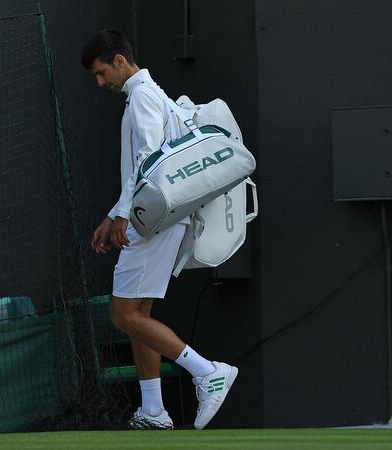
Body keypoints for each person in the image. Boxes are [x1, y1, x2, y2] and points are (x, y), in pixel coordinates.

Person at [81, 30, 237, 430]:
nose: (100, 84)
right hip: (157, 216)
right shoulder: (150, 94)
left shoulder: (144, 97)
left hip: (151, 220)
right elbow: (143, 166)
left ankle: (207, 372)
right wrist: (114, 212)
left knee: (122, 313)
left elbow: (148, 161)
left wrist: (122, 216)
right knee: (139, 312)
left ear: (119, 60)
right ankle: (153, 410)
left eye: (101, 73)